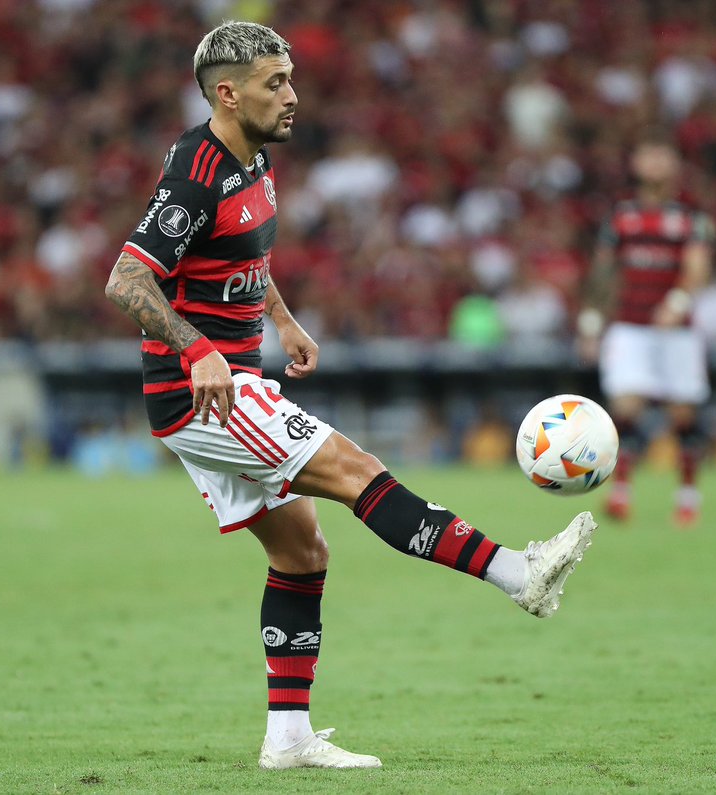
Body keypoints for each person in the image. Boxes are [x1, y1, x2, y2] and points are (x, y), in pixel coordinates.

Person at [104, 21, 597, 771]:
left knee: (303, 553)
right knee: (356, 468)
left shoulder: (253, 158)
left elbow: (242, 254)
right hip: (206, 393)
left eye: (291, 77)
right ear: (229, 93)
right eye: (276, 82)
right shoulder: (193, 173)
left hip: (234, 380)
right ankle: (517, 574)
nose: (293, 95)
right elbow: (126, 280)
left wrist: (283, 317)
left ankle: (288, 739)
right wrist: (198, 348)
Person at [578, 138, 715, 527]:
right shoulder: (621, 219)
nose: (654, 160)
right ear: (635, 162)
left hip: (678, 333)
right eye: (648, 153)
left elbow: (698, 268)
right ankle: (622, 492)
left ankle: (687, 495)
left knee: (683, 413)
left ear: (675, 164)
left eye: (662, 153)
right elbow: (603, 274)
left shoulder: (691, 219)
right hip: (630, 328)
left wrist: (678, 302)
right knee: (625, 408)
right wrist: (591, 323)